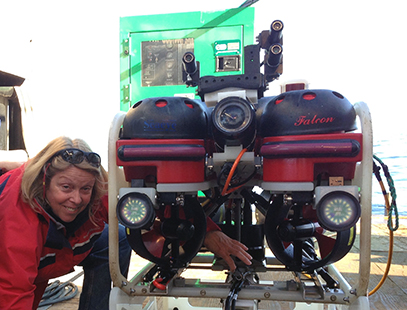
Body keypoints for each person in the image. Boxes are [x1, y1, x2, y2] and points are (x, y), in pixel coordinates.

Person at [0, 136, 252, 310]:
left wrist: (206, 232)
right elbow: (13, 291)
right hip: (14, 261)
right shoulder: (18, 217)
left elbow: (151, 208)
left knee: (118, 237)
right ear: (45, 181)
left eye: (84, 189)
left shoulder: (98, 193)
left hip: (48, 256)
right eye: (65, 187)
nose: (76, 199)